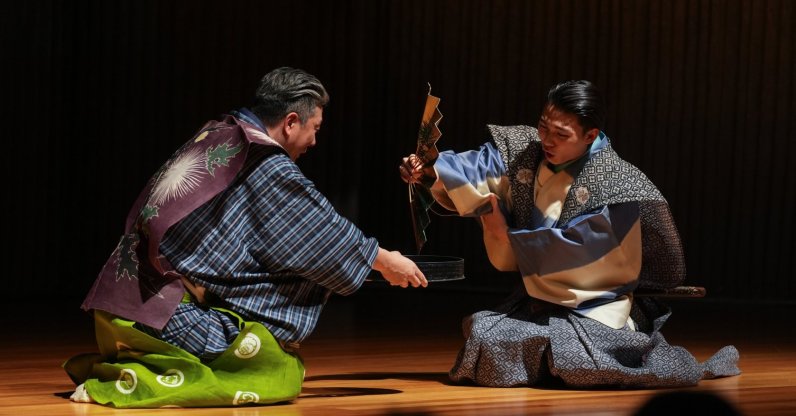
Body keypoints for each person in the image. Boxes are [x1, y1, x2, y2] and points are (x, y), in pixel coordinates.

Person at [65, 67, 427, 408]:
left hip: (121, 302)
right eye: (314, 128)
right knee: (275, 365)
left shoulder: (222, 131)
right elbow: (320, 234)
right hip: (158, 314)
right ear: (290, 123)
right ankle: (133, 379)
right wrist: (384, 260)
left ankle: (132, 361)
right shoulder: (266, 162)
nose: (315, 140)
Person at [400, 80, 739, 388]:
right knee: (484, 333)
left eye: (561, 135)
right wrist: (429, 169)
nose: (546, 140)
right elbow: (479, 167)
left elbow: (584, 249)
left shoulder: (616, 182)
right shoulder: (527, 150)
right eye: (543, 127)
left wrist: (507, 238)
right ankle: (545, 362)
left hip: (594, 306)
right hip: (542, 299)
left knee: (575, 359)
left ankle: (583, 358)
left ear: (590, 135)